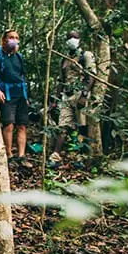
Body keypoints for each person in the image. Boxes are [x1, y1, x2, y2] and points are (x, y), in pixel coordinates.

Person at [50, 31, 96, 164]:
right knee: (63, 126)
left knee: (82, 126)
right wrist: (55, 100)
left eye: (74, 37)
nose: (71, 40)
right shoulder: (64, 59)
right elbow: (61, 81)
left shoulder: (85, 55)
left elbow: (91, 76)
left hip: (80, 94)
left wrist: (84, 94)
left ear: (79, 39)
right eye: (69, 37)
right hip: (67, 96)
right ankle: (55, 156)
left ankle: (81, 156)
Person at [0, 29, 29, 158]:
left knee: (22, 125)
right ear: (4, 40)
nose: (14, 40)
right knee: (9, 124)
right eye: (11, 37)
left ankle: (21, 155)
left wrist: (26, 96)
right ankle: (9, 154)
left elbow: (22, 75)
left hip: (20, 93)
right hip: (6, 93)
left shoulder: (18, 57)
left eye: (16, 38)